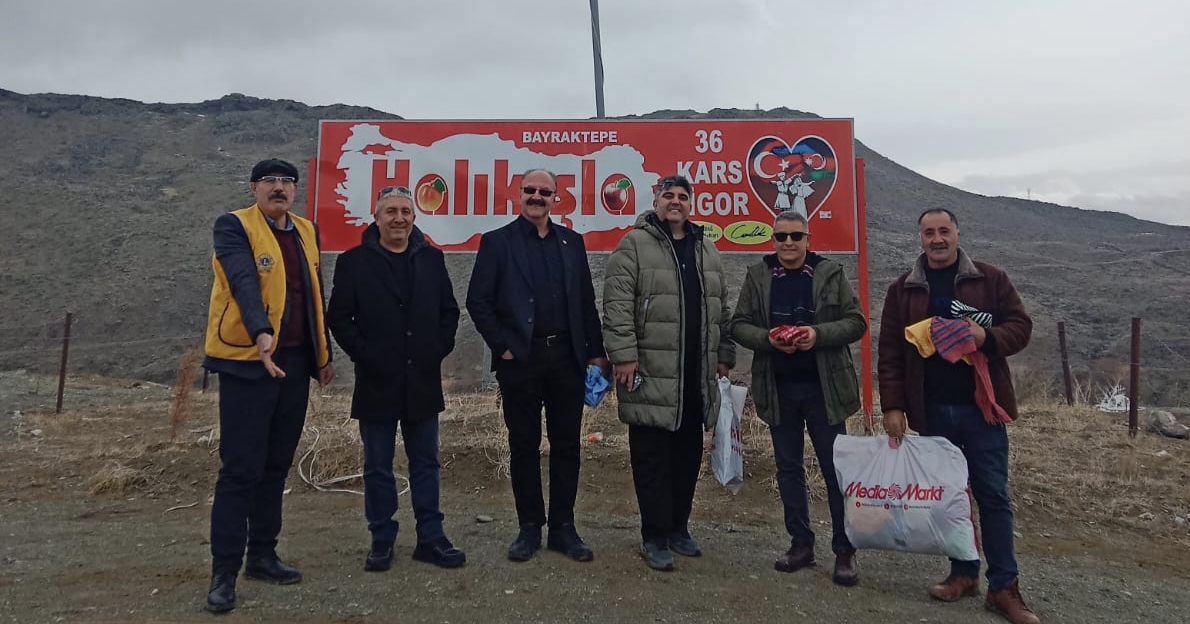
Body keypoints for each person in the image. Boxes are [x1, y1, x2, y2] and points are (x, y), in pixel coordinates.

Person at [878, 208, 1038, 624]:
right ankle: (963, 573)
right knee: (950, 498)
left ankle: (1003, 586)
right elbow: (890, 351)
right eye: (929, 233)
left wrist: (986, 336)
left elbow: (1021, 326)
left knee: (993, 496)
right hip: (931, 411)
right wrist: (893, 405)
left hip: (982, 410)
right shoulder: (902, 289)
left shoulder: (991, 279)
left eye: (944, 231)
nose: (937, 239)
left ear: (957, 234)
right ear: (920, 239)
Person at [201, 158, 334, 613]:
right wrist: (260, 332)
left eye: (287, 181)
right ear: (254, 187)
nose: (279, 187)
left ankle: (262, 555)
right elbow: (243, 281)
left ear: (296, 189)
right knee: (240, 468)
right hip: (247, 363)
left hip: (294, 364)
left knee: (276, 465)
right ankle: (223, 573)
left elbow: (312, 292)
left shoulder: (306, 231)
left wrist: (323, 355)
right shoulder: (234, 226)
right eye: (270, 181)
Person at [465, 168, 609, 563]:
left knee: (567, 446)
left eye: (545, 192)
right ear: (519, 194)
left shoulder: (571, 243)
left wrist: (596, 353)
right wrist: (503, 347)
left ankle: (563, 528)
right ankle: (529, 527)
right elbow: (478, 301)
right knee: (523, 445)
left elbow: (585, 302)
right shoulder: (497, 242)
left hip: (566, 359)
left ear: (555, 198)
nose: (537, 197)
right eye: (530, 190)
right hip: (521, 363)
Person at [326, 186, 465, 573]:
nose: (399, 218)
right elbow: (339, 317)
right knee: (377, 466)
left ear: (414, 218)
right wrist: (366, 355)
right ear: (376, 217)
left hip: (422, 379)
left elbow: (449, 311)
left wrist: (436, 349)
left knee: (426, 463)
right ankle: (381, 538)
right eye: (391, 211)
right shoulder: (353, 262)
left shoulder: (432, 259)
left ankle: (431, 538)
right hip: (376, 380)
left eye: (405, 211)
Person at [602, 174, 735, 571]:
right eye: (668, 195)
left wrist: (724, 354)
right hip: (650, 373)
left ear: (690, 204)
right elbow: (617, 306)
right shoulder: (633, 245)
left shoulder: (705, 248)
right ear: (656, 200)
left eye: (682, 196)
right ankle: (654, 535)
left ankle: (678, 528)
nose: (675, 202)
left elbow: (721, 307)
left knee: (687, 457)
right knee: (652, 460)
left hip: (696, 376)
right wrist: (624, 356)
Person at [729, 211, 866, 585]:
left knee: (835, 471)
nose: (788, 243)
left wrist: (817, 335)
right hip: (778, 388)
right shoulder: (757, 275)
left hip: (825, 389)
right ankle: (801, 544)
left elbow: (856, 322)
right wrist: (768, 339)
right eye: (781, 237)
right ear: (772, 240)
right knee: (788, 469)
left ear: (808, 238)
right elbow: (739, 325)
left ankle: (844, 551)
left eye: (795, 236)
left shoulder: (830, 273)